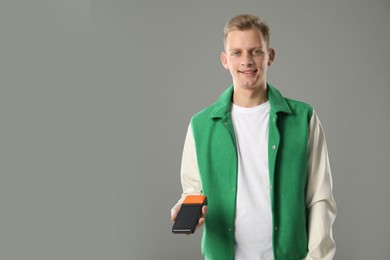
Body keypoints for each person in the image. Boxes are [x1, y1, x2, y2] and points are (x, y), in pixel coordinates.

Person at [171, 14, 336, 260]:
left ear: (270, 56)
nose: (246, 61)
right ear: (224, 60)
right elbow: (193, 189)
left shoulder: (303, 119)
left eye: (255, 51)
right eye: (236, 53)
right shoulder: (200, 125)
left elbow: (320, 198)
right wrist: (185, 208)